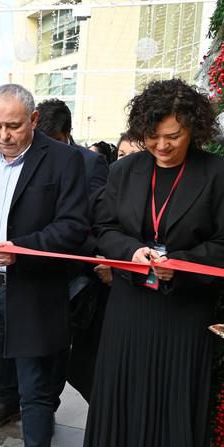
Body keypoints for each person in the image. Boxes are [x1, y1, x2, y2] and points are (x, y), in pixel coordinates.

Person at [0, 84, 89, 447]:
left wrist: (24, 249)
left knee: (35, 390)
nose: (3, 136)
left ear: (34, 119)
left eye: (13, 126)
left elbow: (73, 226)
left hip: (35, 292)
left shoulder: (63, 160)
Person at [84, 79, 224, 446]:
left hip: (184, 310)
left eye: (173, 136)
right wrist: (130, 251)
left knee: (174, 404)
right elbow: (104, 228)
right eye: (152, 136)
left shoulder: (216, 174)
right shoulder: (124, 171)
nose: (161, 145)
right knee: (122, 401)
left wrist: (181, 263)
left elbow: (222, 243)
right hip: (129, 307)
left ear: (194, 128)